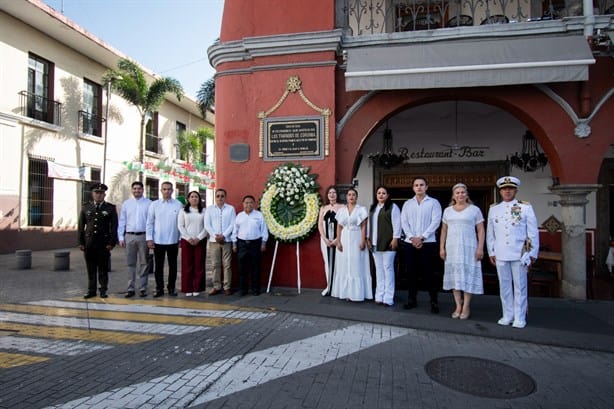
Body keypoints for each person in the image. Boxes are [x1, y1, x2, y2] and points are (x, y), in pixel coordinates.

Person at [487, 176, 539, 329]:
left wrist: (532, 253)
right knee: (504, 286)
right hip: (501, 252)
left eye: (510, 188)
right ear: (500, 191)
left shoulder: (525, 207)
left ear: (516, 190)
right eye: (504, 189)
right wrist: (491, 251)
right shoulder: (494, 208)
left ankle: (520, 316)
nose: (507, 191)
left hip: (519, 253)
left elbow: (533, 232)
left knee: (520, 286)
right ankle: (507, 315)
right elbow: (491, 233)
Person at [439, 183, 485, 320]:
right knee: (455, 276)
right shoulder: (447, 211)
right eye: (457, 193)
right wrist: (442, 247)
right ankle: (458, 305)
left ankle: (466, 307)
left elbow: (481, 230)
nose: (460, 195)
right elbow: (444, 230)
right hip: (452, 248)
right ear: (454, 195)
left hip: (469, 247)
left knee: (468, 276)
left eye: (462, 192)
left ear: (467, 194)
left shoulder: (474, 210)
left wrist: (480, 248)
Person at [401, 177, 442, 313]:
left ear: (426, 187)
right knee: (411, 272)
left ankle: (433, 301)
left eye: (421, 185)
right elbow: (404, 222)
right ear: (413, 188)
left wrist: (422, 237)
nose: (419, 187)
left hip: (428, 243)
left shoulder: (433, 203)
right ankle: (412, 299)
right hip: (410, 243)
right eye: (416, 185)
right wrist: (412, 238)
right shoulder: (408, 204)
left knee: (429, 273)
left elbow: (436, 221)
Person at [331, 188, 373, 302]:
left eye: (353, 195)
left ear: (356, 197)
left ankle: (357, 293)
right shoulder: (342, 210)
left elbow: (364, 225)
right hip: (344, 238)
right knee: (344, 263)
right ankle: (345, 293)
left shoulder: (361, 209)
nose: (351, 197)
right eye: (349, 195)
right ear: (346, 197)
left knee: (356, 264)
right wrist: (338, 241)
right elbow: (339, 227)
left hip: (356, 237)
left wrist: (363, 240)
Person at [78, 183, 118, 299]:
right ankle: (91, 290)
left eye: (101, 193)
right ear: (92, 194)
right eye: (97, 193)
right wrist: (81, 242)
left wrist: (111, 242)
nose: (99, 195)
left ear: (104, 194)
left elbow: (114, 226)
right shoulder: (86, 207)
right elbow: (81, 226)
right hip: (89, 243)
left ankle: (103, 290)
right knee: (91, 269)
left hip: (103, 244)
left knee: (103, 269)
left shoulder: (110, 208)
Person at [146, 181, 183, 298]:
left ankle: (171, 288)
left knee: (173, 266)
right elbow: (149, 223)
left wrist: (181, 238)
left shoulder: (178, 205)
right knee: (159, 267)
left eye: (169, 189)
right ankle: (159, 288)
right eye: (164, 189)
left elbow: (181, 223)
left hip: (173, 240)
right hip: (158, 241)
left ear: (172, 191)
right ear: (161, 191)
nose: (167, 191)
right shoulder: (154, 204)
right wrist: (149, 239)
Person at [367, 186, 401, 307]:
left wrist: (395, 238)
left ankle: (388, 296)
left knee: (388, 269)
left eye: (383, 193)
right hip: (375, 243)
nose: (381, 195)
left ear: (388, 195)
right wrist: (368, 239)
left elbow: (397, 224)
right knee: (379, 270)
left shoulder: (393, 207)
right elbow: (369, 225)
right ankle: (379, 295)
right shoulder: (373, 208)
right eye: (379, 193)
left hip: (388, 243)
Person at [117, 181, 152, 298]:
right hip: (129, 236)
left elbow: (151, 222)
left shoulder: (149, 204)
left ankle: (143, 288)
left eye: (139, 189)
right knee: (130, 263)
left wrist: (150, 238)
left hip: (143, 236)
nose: (137, 191)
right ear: (132, 190)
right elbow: (122, 221)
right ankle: (130, 288)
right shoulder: (127, 204)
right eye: (135, 189)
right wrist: (121, 237)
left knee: (144, 263)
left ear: (143, 190)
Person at [232, 195, 268, 296]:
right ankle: (243, 290)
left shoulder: (259, 215)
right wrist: (234, 244)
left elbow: (264, 230)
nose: (248, 204)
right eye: (246, 203)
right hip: (242, 244)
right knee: (242, 268)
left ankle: (255, 289)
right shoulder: (239, 216)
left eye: (251, 202)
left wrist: (263, 243)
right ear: (243, 204)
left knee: (255, 268)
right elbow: (235, 231)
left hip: (255, 244)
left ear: (254, 204)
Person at [204, 188, 236, 296]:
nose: (220, 198)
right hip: (214, 241)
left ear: (225, 197)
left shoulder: (231, 209)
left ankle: (227, 286)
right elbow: (207, 224)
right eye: (218, 196)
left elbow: (232, 224)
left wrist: (224, 235)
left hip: (226, 240)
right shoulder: (209, 209)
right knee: (215, 264)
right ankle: (216, 286)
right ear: (215, 197)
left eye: (222, 196)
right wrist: (215, 236)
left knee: (227, 264)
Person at [178, 191, 207, 296]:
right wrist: (188, 238)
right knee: (187, 265)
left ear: (199, 199)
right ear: (188, 199)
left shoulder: (204, 211)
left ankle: (197, 288)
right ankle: (188, 288)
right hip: (186, 241)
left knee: (199, 264)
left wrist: (198, 238)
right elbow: (181, 226)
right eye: (192, 197)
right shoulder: (183, 211)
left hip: (200, 240)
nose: (194, 198)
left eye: (196, 197)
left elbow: (206, 226)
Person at [318, 186, 343, 296]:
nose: (332, 195)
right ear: (327, 195)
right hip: (325, 240)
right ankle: (329, 286)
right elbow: (319, 224)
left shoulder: (342, 207)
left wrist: (337, 239)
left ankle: (337, 288)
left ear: (337, 195)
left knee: (339, 263)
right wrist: (325, 238)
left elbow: (343, 224)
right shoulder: (323, 208)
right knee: (327, 262)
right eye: (330, 193)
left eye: (334, 193)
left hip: (339, 239)